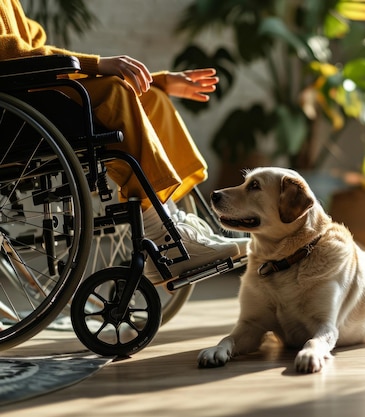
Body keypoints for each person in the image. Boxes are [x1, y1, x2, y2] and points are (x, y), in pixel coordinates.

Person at [0, 0, 247, 279]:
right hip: (13, 114)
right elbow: (11, 57)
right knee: (115, 92)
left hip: (27, 97)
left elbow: (36, 56)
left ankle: (172, 221)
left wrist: (156, 81)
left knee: (151, 96)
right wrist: (96, 65)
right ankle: (161, 233)